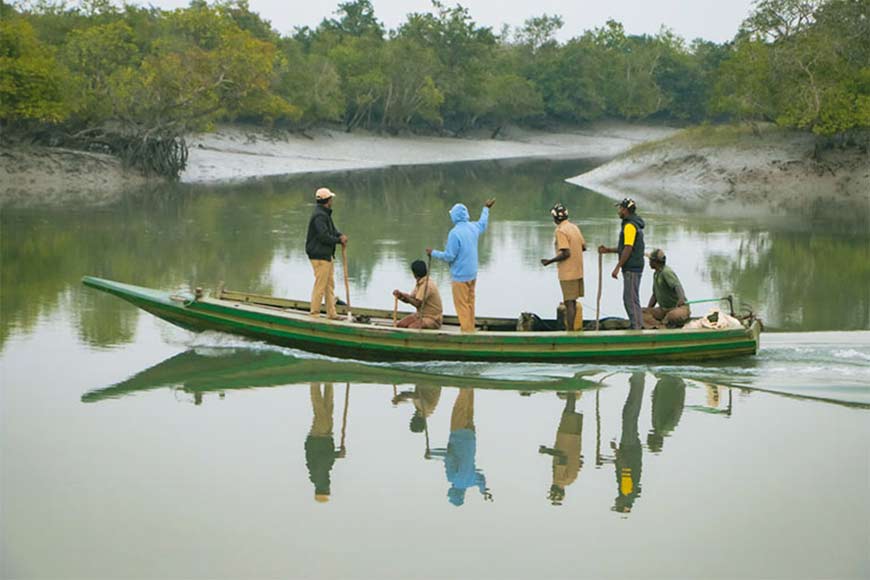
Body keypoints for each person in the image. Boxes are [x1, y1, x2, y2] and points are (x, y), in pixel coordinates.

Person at [427, 199, 495, 332]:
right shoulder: (473, 227)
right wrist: (486, 208)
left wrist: (433, 253)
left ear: (454, 216)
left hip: (460, 277)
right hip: (472, 274)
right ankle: (470, 329)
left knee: (462, 306)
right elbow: (483, 224)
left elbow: (449, 256)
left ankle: (467, 333)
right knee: (470, 304)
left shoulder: (454, 233)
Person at [427, 388, 493, 506]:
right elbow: (449, 456)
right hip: (458, 434)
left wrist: (483, 491)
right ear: (454, 493)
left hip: (471, 436)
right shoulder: (452, 478)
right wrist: (432, 453)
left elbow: (481, 479)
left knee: (468, 403)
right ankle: (465, 377)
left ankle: (471, 378)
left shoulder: (471, 481)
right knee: (461, 401)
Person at [598, 198, 645, 330]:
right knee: (632, 298)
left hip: (632, 268)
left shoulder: (630, 226)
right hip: (634, 266)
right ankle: (637, 324)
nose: (618, 211)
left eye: (620, 209)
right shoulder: (632, 224)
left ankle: (636, 328)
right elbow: (625, 247)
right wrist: (608, 250)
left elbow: (629, 248)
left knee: (629, 299)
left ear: (625, 210)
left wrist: (617, 267)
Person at [541, 202, 587, 331]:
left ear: (555, 219)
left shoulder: (560, 231)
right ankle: (572, 330)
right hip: (578, 270)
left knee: (569, 303)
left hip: (568, 272)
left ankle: (570, 332)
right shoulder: (574, 227)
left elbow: (566, 253)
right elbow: (583, 246)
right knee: (572, 301)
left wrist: (549, 261)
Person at [305, 187, 348, 319]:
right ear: (327, 200)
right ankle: (315, 313)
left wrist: (340, 236)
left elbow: (332, 230)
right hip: (319, 255)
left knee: (329, 285)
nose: (332, 201)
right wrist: (338, 241)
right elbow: (323, 236)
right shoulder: (319, 216)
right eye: (331, 199)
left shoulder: (324, 213)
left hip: (326, 255)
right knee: (321, 285)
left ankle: (332, 313)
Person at [538, 392, 584, 505]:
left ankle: (572, 395)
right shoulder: (559, 480)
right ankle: (572, 393)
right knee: (568, 414)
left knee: (570, 414)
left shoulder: (570, 481)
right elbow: (562, 457)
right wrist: (546, 451)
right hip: (566, 440)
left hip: (575, 442)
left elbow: (580, 463)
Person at [305, 383, 342, 503]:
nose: (329, 489)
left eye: (326, 491)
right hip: (324, 437)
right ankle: (328, 382)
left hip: (319, 437)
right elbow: (326, 460)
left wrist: (337, 454)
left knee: (319, 408)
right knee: (328, 407)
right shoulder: (321, 476)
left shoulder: (319, 477)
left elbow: (322, 459)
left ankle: (315, 384)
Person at [642, 248, 690, 328]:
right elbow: (655, 295)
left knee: (672, 315)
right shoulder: (656, 274)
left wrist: (681, 299)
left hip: (678, 308)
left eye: (650, 261)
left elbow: (677, 286)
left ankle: (662, 325)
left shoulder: (666, 272)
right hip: (664, 309)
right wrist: (649, 309)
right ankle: (660, 326)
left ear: (655, 262)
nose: (649, 263)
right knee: (639, 313)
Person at [392, 260, 443, 329]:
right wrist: (400, 295)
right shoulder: (420, 283)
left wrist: (407, 297)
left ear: (414, 273)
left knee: (412, 327)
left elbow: (418, 303)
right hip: (420, 315)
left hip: (433, 319)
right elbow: (411, 299)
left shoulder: (427, 285)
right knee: (401, 325)